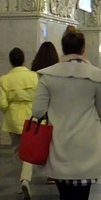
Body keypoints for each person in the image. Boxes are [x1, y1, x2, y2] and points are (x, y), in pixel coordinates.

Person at [32, 26, 101, 200]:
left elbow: (37, 111)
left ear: (63, 48)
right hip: (86, 147)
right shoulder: (95, 76)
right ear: (83, 48)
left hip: (59, 146)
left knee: (65, 199)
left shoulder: (48, 76)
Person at [0, 47, 40, 200]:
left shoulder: (4, 79)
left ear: (10, 61)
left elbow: (2, 103)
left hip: (13, 118)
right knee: (29, 151)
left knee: (16, 151)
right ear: (24, 60)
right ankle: (25, 180)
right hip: (31, 117)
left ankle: (17, 184)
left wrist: (9, 111)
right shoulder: (34, 76)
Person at [30, 41, 59, 185]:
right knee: (53, 141)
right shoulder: (55, 70)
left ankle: (27, 176)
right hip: (52, 109)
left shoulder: (35, 69)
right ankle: (53, 173)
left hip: (36, 106)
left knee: (39, 139)